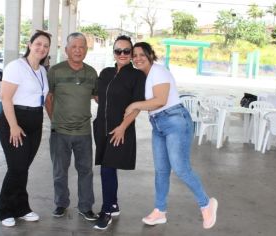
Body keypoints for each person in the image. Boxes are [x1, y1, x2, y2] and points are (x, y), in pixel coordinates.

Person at [125, 42, 218, 229]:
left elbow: (160, 101)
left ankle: (207, 204)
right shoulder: (145, 76)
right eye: (134, 55)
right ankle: (160, 211)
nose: (138, 58)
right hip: (158, 123)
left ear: (151, 55)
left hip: (175, 120)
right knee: (161, 170)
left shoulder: (158, 71)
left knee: (181, 168)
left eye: (142, 54)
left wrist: (135, 104)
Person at [0, 30, 51, 227]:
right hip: (15, 120)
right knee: (16, 167)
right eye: (38, 44)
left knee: (23, 168)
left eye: (46, 45)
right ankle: (4, 210)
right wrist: (13, 126)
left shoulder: (43, 71)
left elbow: (44, 99)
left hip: (35, 122)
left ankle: (22, 208)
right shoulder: (16, 67)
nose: (42, 48)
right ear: (29, 44)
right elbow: (6, 98)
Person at [92, 35, 146, 230]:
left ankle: (106, 211)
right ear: (113, 53)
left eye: (126, 51)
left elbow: (137, 106)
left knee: (107, 167)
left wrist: (123, 127)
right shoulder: (105, 72)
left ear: (131, 54)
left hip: (120, 129)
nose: (122, 54)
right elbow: (98, 96)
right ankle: (113, 205)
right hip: (101, 128)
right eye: (118, 51)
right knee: (107, 167)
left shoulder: (138, 76)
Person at [45, 32, 98, 221]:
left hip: (84, 132)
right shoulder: (55, 71)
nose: (78, 50)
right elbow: (48, 98)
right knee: (60, 171)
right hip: (60, 132)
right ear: (66, 49)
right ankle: (61, 204)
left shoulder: (91, 73)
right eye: (74, 46)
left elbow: (98, 97)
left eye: (82, 46)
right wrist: (55, 120)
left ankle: (85, 207)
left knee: (86, 171)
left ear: (86, 50)